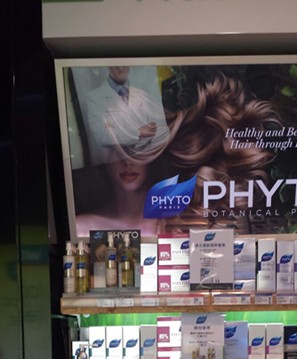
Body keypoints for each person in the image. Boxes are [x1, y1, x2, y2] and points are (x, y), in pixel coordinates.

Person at [75, 72, 283, 239]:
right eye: (116, 147)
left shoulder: (184, 227)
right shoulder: (83, 229)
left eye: (137, 146)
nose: (126, 161)